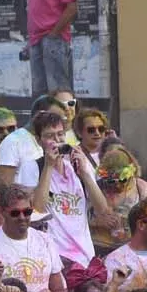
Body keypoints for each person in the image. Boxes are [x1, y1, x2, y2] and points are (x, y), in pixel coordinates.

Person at [32, 109, 113, 273]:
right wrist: (48, 166)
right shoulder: (34, 167)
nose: (57, 140)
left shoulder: (77, 166)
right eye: (50, 136)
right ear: (39, 140)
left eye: (60, 134)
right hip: (56, 257)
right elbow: (37, 209)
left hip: (85, 255)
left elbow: (103, 210)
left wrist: (85, 174)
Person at [91, 149, 147, 256]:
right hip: (99, 247)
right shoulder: (95, 188)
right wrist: (96, 221)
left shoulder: (141, 187)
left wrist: (127, 223)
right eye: (110, 181)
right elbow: (76, 218)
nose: (117, 185)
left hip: (130, 248)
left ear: (130, 173)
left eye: (122, 180)